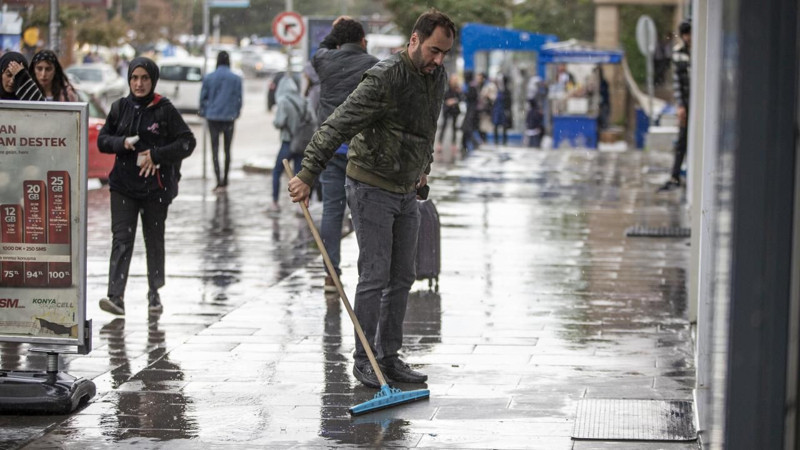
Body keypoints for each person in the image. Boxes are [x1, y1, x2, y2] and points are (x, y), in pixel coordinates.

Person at [287, 9, 456, 389]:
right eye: (433, 50)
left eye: (444, 53)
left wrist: (423, 167)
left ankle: (389, 356)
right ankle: (364, 359)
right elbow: (338, 123)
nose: (438, 60)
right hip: (370, 186)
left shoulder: (436, 77)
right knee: (375, 274)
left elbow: (427, 128)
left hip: (405, 187)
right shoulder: (384, 78)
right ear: (414, 40)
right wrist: (307, 173)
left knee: (403, 276)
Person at [97, 57, 196, 316]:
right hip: (122, 186)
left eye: (144, 78)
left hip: (155, 189)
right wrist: (122, 143)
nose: (139, 84)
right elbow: (102, 140)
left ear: (153, 80)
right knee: (121, 239)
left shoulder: (164, 109)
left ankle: (154, 292)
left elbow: (188, 142)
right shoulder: (120, 107)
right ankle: (115, 296)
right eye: (134, 78)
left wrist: (156, 155)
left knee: (153, 240)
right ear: (128, 80)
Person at [312, 17, 379, 293]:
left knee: (332, 210)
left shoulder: (324, 61)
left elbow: (323, 46)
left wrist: (336, 31)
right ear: (363, 41)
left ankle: (331, 274)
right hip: (360, 151)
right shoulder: (373, 64)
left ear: (338, 42)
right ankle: (369, 274)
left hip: (329, 148)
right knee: (363, 213)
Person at [199, 51, 243, 193]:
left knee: (215, 150)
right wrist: (235, 112)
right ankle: (225, 181)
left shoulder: (209, 78)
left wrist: (204, 111)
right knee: (227, 150)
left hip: (213, 117)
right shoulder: (236, 78)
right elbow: (239, 98)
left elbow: (203, 98)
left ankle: (218, 180)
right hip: (229, 117)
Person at [659, 20, 691, 192]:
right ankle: (675, 174)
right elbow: (677, 82)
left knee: (688, 140)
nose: (689, 38)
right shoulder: (679, 53)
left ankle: (679, 173)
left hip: (696, 103)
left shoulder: (699, 51)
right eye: (687, 34)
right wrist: (681, 105)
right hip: (686, 103)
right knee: (682, 141)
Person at [269, 76, 308, 212]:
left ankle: (274, 202)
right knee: (298, 175)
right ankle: (301, 207)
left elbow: (279, 122)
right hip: (301, 142)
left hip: (288, 142)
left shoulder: (283, 101)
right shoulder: (302, 100)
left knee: (277, 171)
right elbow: (310, 119)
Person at [438, 73, 461, 153]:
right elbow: (443, 97)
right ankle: (439, 143)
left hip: (454, 110)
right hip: (447, 110)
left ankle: (453, 144)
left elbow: (461, 98)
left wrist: (455, 100)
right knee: (444, 126)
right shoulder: (446, 88)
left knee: (454, 127)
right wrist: (448, 102)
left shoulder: (458, 89)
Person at [491, 74, 512, 145]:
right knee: (496, 126)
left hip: (503, 109)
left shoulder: (506, 91)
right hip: (497, 109)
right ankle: (496, 141)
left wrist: (508, 110)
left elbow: (509, 102)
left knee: (504, 126)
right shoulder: (496, 89)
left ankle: (504, 141)